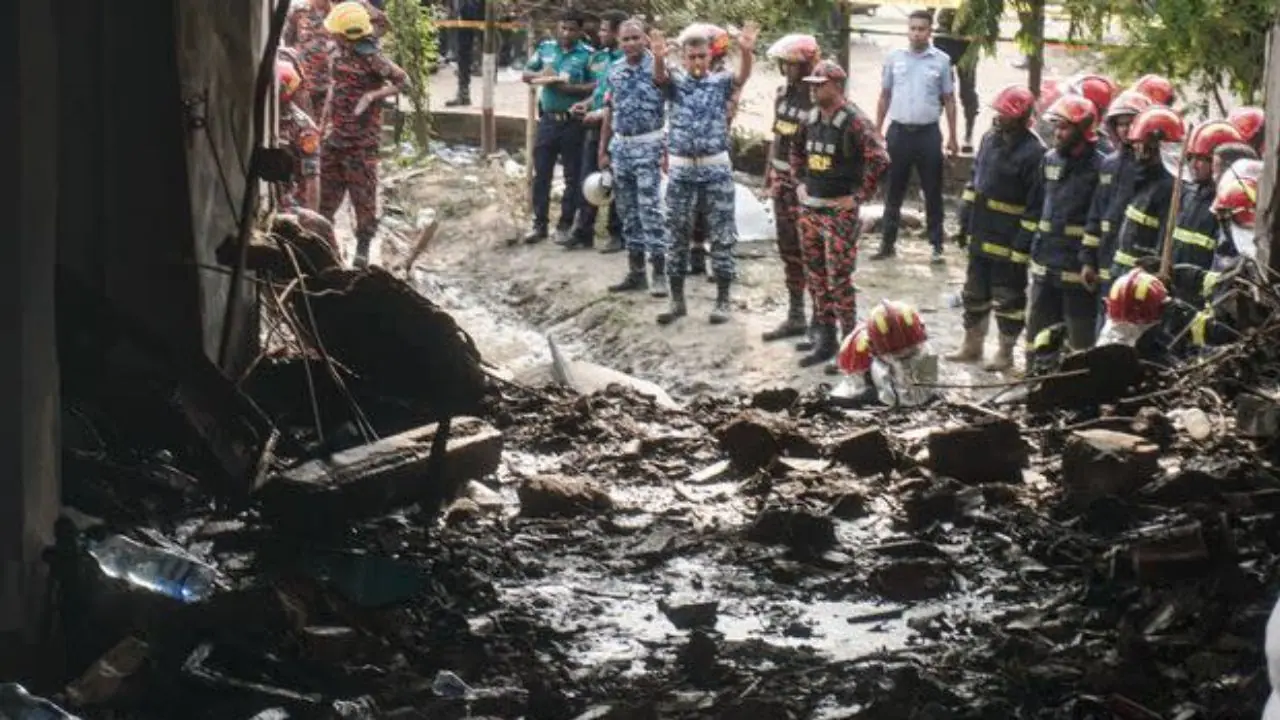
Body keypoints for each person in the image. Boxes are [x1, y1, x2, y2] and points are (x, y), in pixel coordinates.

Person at [649, 21, 758, 325]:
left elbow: (742, 77)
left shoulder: (720, 82)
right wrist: (657, 56)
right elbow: (659, 78)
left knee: (722, 234)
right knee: (676, 234)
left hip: (715, 169)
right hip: (683, 170)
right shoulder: (675, 82)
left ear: (710, 56)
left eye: (702, 56)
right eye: (692, 57)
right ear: (684, 58)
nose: (697, 62)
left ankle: (723, 300)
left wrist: (746, 52)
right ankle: (676, 301)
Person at [788, 60, 890, 367]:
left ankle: (850, 346)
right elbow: (795, 150)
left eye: (820, 85)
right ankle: (825, 341)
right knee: (816, 278)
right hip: (811, 210)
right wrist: (799, 182)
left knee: (839, 281)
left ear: (836, 86)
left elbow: (880, 158)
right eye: (812, 85)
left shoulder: (854, 121)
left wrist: (858, 197)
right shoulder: (811, 118)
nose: (813, 90)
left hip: (838, 214)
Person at [948, 85, 1044, 372]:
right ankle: (972, 345)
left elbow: (1035, 206)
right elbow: (974, 181)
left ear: (1022, 117)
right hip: (981, 230)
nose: (1000, 116)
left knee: (1009, 299)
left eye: (1006, 113)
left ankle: (1005, 351)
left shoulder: (1034, 153)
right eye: (999, 111)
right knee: (974, 293)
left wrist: (1022, 245)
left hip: (1008, 239)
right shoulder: (989, 139)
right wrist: (964, 221)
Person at [317, 1, 410, 268]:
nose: (333, 35)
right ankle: (324, 252)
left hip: (361, 142)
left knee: (364, 198)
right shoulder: (338, 53)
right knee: (325, 199)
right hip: (335, 139)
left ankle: (363, 250)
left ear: (347, 34)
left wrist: (373, 95)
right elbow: (333, 88)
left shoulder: (372, 58)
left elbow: (405, 82)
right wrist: (323, 124)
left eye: (337, 33)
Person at [873, 9, 961, 264]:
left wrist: (953, 136)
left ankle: (936, 245)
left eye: (922, 29)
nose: (916, 33)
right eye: (912, 28)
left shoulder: (942, 61)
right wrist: (877, 130)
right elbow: (885, 95)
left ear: (930, 31)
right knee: (893, 190)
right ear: (907, 30)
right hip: (899, 132)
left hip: (928, 134)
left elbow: (949, 99)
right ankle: (887, 243)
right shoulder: (894, 58)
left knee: (932, 190)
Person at [1023, 93, 1105, 355]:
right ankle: (1034, 375)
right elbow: (1036, 205)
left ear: (1083, 129)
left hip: (1076, 268)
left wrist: (1089, 260)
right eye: (1057, 127)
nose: (1057, 133)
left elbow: (1099, 219)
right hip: (1045, 262)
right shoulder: (1049, 160)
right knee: (1037, 335)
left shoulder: (1101, 167)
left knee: (1079, 341)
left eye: (1065, 128)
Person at [599, 18, 668, 293]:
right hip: (621, 148)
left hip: (649, 145)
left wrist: (667, 150)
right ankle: (636, 272)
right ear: (619, 42)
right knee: (627, 212)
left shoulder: (658, 66)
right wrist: (603, 149)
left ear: (646, 39)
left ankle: (659, 272)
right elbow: (609, 110)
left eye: (635, 38)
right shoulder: (614, 70)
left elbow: (670, 100)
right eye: (625, 39)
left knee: (650, 210)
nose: (630, 43)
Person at [760, 34, 820, 343]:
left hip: (806, 186)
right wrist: (768, 175)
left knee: (813, 253)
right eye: (785, 64)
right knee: (788, 249)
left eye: (793, 64)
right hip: (781, 181)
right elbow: (777, 137)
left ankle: (819, 320)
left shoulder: (817, 99)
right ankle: (796, 315)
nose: (788, 69)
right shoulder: (782, 95)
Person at [521, 12, 595, 245]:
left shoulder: (588, 55)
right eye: (563, 28)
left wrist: (571, 89)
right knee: (542, 173)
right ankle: (539, 224)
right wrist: (542, 76)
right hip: (548, 121)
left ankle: (565, 225)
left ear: (580, 32)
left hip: (573, 122)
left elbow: (597, 85)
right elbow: (526, 74)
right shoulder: (546, 49)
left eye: (571, 29)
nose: (566, 33)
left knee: (572, 176)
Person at [1079, 90, 1151, 313]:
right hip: (1105, 261)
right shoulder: (1109, 164)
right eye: (1120, 124)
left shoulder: (1150, 168)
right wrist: (1088, 260)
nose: (1125, 129)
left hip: (1134, 267)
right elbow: (1096, 214)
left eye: (1131, 123)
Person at [565, 10, 627, 252]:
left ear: (617, 32)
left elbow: (623, 100)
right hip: (594, 126)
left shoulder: (628, 61)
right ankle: (584, 230)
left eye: (604, 30)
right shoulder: (601, 58)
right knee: (588, 177)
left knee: (614, 179)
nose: (600, 34)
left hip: (616, 128)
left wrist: (601, 113)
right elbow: (600, 92)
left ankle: (616, 233)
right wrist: (586, 104)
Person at [1101, 107, 1182, 284]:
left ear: (1155, 145)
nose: (1135, 148)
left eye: (1139, 142)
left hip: (1142, 282)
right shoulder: (1143, 178)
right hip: (1123, 276)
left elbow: (1163, 245)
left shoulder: (1169, 187)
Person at [283, 0, 388, 121]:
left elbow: (382, 28)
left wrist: (365, 5)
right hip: (304, 88)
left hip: (337, 91)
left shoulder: (346, 11)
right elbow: (287, 46)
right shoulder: (298, 11)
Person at [1170, 121, 1244, 272]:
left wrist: (1193, 277)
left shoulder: (1227, 207)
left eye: (1201, 159)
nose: (1193, 165)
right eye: (1190, 157)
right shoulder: (1189, 196)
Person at [276, 59, 322, 211]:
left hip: (289, 206)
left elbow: (312, 179)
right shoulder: (252, 117)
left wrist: (311, 216)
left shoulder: (304, 128)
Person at [931, 9, 978, 153]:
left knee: (967, 91)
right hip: (944, 33)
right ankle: (934, 133)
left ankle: (968, 135)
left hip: (968, 31)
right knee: (941, 90)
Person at [444, 0, 484, 107]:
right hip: (465, 12)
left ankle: (465, 93)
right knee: (463, 52)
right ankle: (463, 93)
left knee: (468, 51)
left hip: (475, 11)